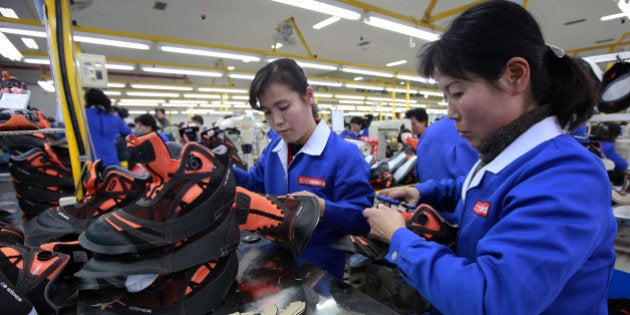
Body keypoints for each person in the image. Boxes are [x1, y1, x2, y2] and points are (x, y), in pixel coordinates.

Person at [363, 1, 617, 314]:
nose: (450, 112)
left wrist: (400, 240)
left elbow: (495, 300)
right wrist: (422, 191)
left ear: (515, 76)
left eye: (456, 93)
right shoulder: (512, 156)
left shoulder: (570, 176)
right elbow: (485, 188)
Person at [232, 58, 374, 279]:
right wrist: (222, 172)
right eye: (267, 112)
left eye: (283, 107)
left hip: (321, 273)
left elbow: (362, 219)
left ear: (308, 96)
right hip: (274, 261)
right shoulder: (274, 150)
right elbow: (255, 187)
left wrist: (321, 207)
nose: (276, 121)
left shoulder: (344, 155)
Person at [84, 88, 132, 167]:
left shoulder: (82, 115)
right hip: (111, 162)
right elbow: (130, 136)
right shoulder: (114, 118)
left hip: (89, 163)